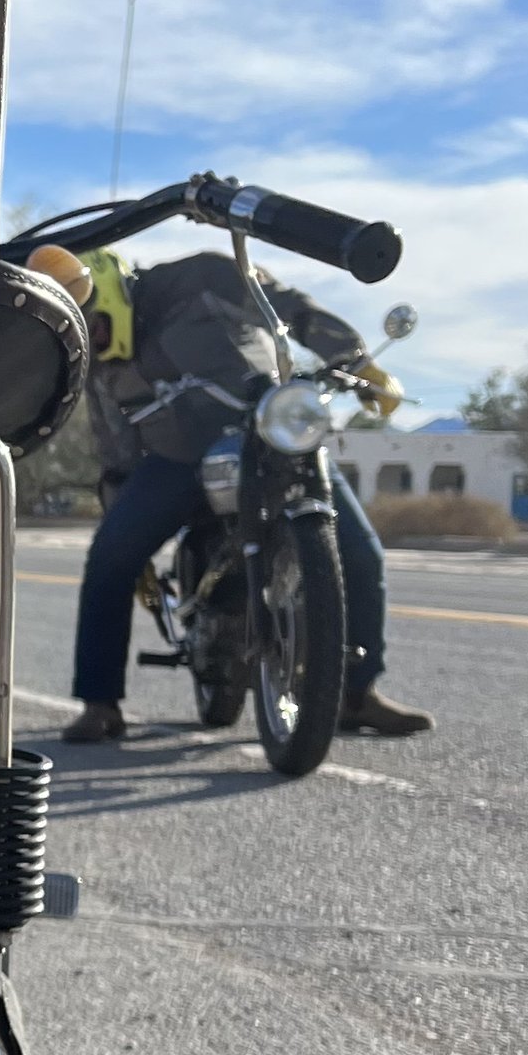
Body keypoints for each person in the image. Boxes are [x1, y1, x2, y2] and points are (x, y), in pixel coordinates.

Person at [62, 245, 433, 744]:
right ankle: (99, 703)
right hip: (178, 462)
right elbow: (115, 451)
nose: (98, 342)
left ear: (105, 294)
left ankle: (356, 694)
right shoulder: (100, 366)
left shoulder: (204, 276)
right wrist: (131, 546)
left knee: (361, 552)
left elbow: (289, 306)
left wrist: (356, 363)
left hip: (270, 432)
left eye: (95, 326)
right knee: (109, 558)